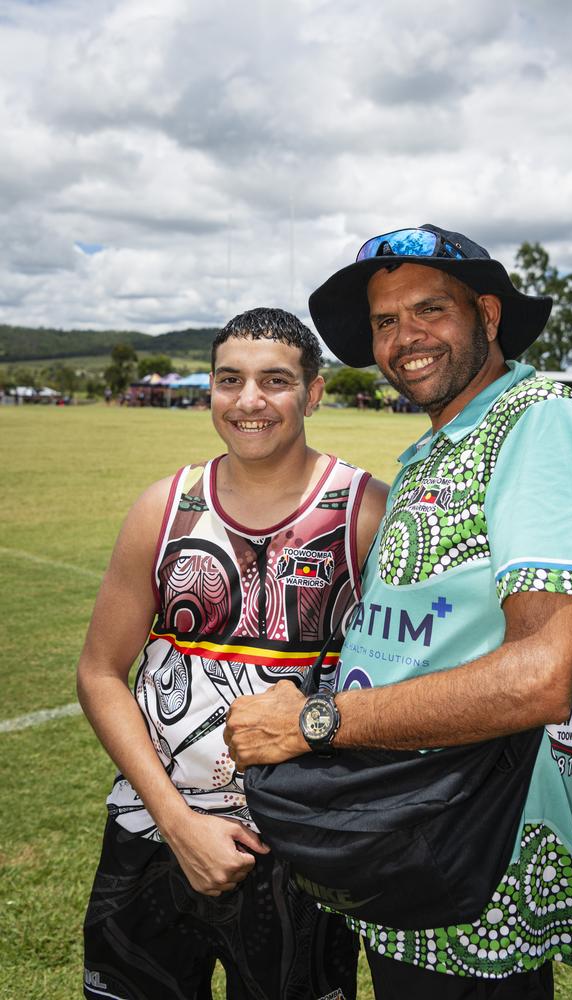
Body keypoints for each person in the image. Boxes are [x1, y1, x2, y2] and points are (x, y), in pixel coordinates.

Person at [224, 227, 572, 999]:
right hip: (401, 836)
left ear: (486, 312)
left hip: (475, 863)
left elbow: (536, 678)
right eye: (385, 322)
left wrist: (314, 723)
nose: (404, 338)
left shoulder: (539, 424)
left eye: (429, 310)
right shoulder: (434, 448)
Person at [77, 307, 388, 1000]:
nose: (248, 401)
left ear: (313, 393)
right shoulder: (164, 508)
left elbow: (399, 685)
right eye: (229, 380)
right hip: (152, 831)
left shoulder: (365, 513)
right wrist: (177, 822)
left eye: (274, 381)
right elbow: (100, 673)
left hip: (300, 846)